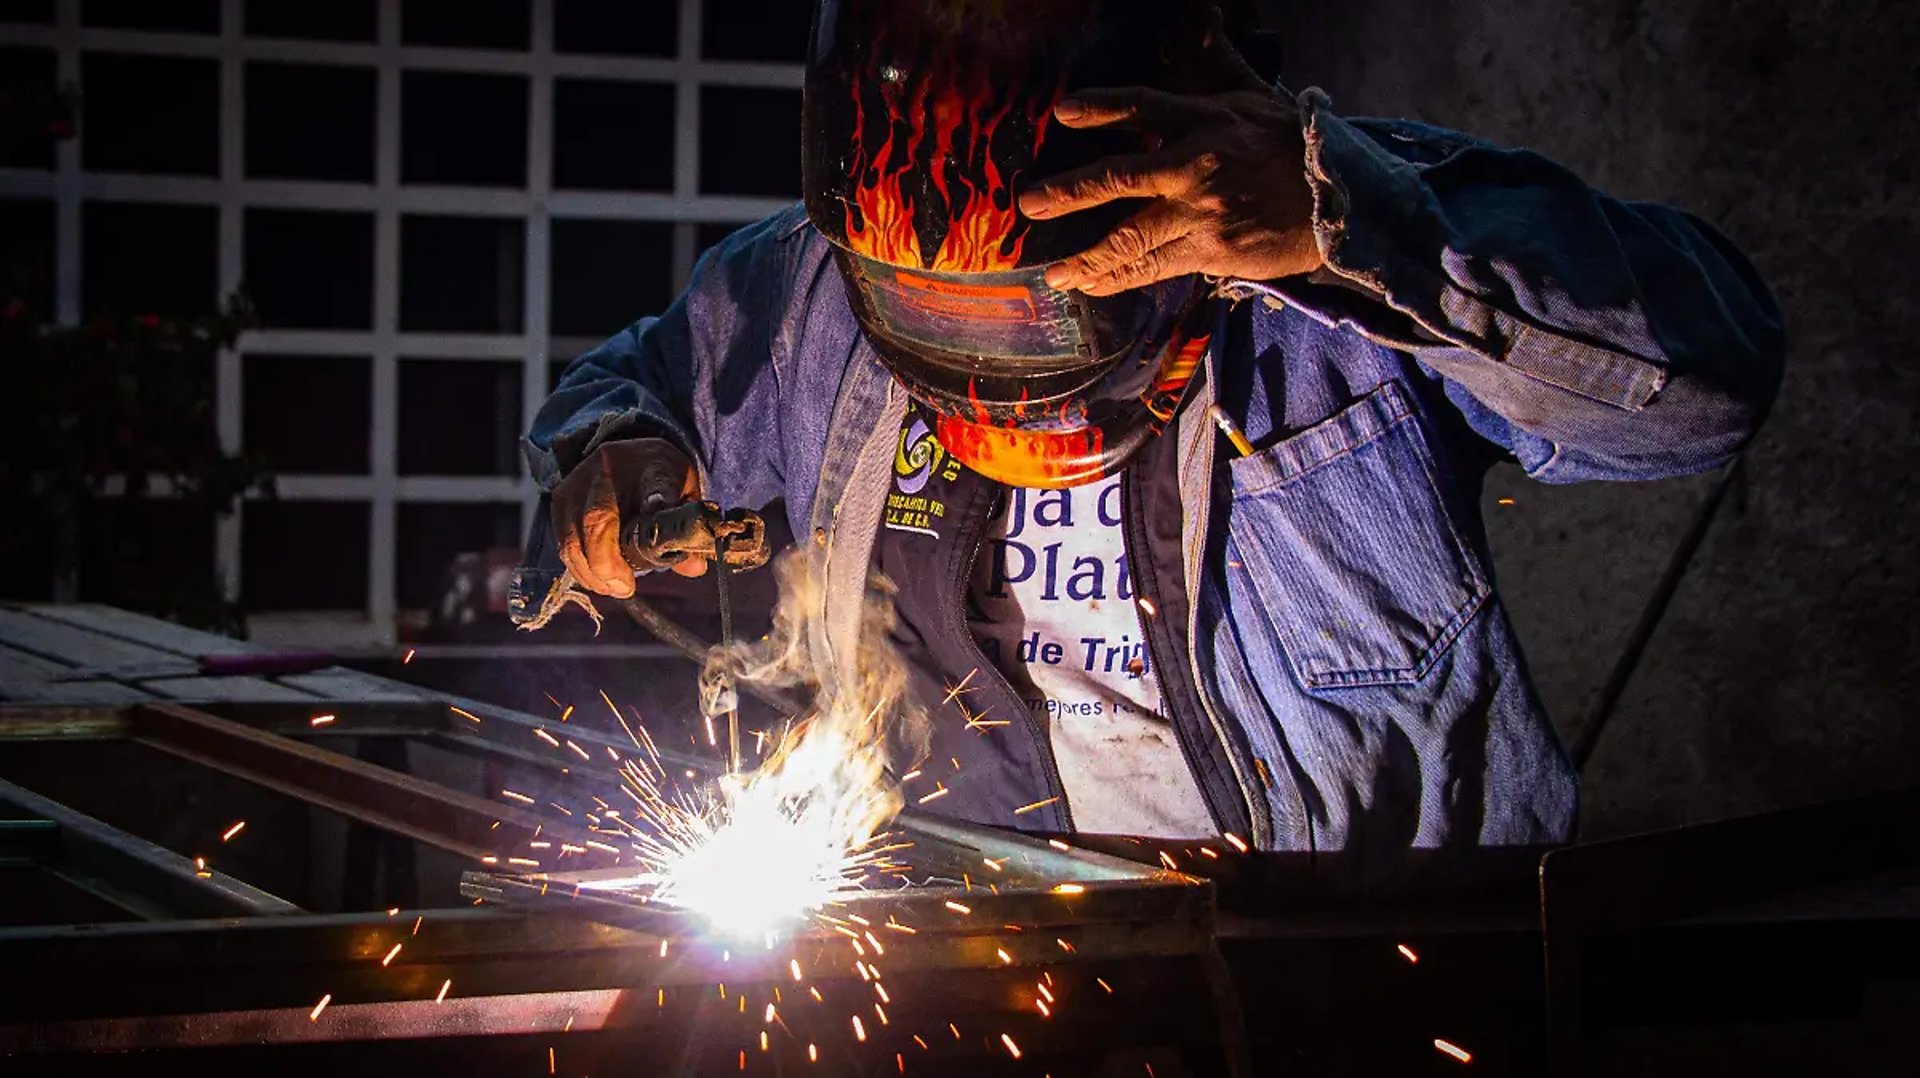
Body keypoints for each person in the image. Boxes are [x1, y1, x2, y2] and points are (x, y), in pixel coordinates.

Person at [525, 1, 1784, 866]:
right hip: (990, 963)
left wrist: (1363, 231)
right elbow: (632, 385)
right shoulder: (805, 288)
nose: (981, 359)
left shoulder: (1338, 234)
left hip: (1347, 977)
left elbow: (1713, 384)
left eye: (1029, 311)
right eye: (914, 305)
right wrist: (613, 440)